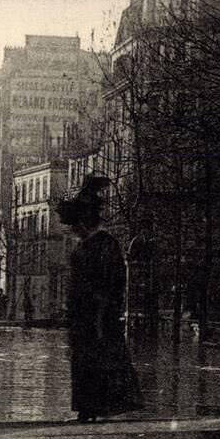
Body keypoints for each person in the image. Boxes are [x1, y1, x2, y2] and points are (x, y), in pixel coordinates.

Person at [58, 175, 144, 423]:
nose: (73, 231)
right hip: (86, 316)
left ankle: (91, 410)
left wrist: (98, 312)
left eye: (75, 226)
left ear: (84, 222)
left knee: (95, 360)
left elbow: (110, 284)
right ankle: (87, 410)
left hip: (96, 316)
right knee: (86, 361)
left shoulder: (103, 245)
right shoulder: (90, 245)